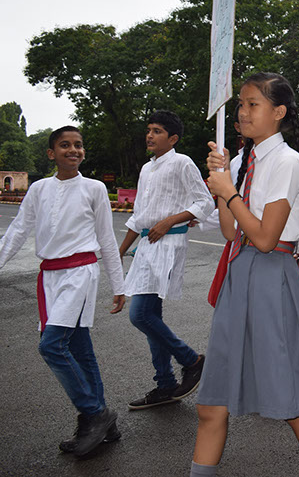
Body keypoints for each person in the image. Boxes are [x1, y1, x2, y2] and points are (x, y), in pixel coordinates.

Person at [194, 72, 299, 477]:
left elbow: (267, 238)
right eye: (241, 104)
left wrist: (229, 191)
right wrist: (223, 185)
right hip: (240, 274)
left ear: (279, 112)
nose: (243, 112)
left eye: (253, 103)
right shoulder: (243, 161)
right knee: (211, 405)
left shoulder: (287, 162)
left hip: (273, 278)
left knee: (293, 403)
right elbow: (230, 231)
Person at [0, 126, 125, 456]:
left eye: (78, 145)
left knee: (52, 345)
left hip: (80, 274)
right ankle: (103, 425)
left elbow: (106, 238)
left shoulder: (94, 188)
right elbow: (17, 231)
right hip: (50, 277)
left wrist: (119, 285)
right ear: (51, 153)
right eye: (65, 145)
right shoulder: (39, 189)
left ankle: (94, 413)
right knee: (80, 349)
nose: (73, 150)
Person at [120, 111, 213, 410]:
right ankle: (165, 384)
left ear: (172, 138)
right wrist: (119, 251)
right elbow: (138, 217)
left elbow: (205, 202)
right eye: (149, 129)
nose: (150, 135)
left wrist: (171, 220)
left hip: (168, 245)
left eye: (157, 131)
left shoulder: (182, 162)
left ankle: (192, 360)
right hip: (147, 246)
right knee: (151, 318)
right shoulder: (147, 169)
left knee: (140, 316)